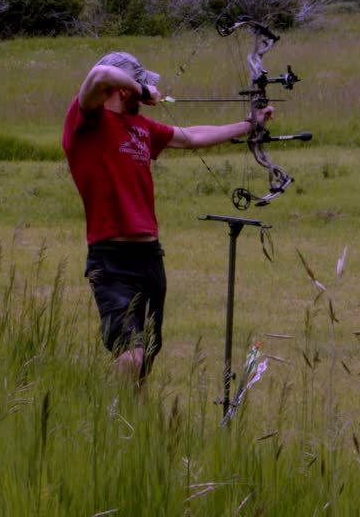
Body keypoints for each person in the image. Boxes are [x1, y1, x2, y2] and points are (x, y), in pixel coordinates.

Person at [62, 51, 272, 384]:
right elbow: (100, 75)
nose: (147, 92)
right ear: (126, 89)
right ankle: (109, 416)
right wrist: (143, 91)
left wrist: (250, 124)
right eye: (140, 85)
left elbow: (191, 137)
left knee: (144, 361)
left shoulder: (142, 127)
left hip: (149, 257)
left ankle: (133, 429)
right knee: (130, 353)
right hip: (112, 259)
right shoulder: (87, 121)